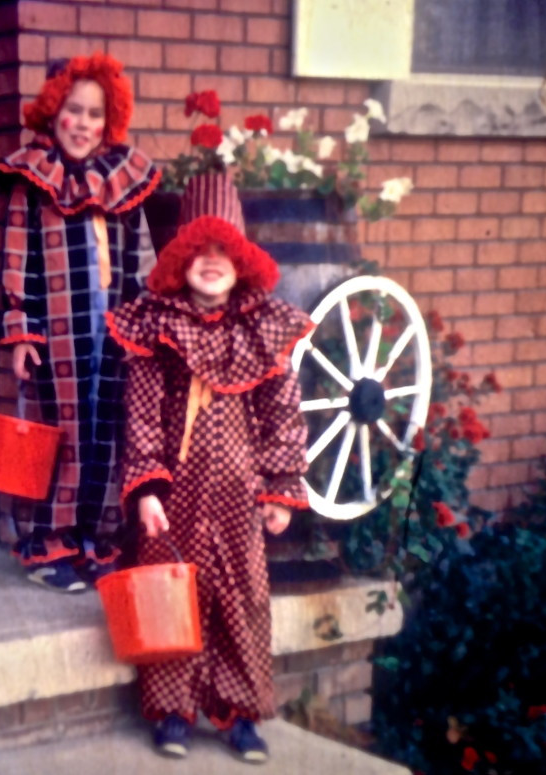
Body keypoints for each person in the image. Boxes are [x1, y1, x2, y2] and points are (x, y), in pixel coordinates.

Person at [106, 173, 313, 763]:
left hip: (239, 497)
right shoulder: (157, 326)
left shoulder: (260, 330)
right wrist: (146, 487)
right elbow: (141, 416)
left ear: (241, 261)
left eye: (224, 250)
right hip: (175, 498)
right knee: (172, 599)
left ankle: (240, 714)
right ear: (180, 259)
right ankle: (173, 711)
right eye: (199, 249)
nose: (212, 261)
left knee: (241, 598)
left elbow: (282, 413)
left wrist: (279, 488)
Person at [0, 53, 160, 592]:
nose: (84, 124)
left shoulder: (122, 179)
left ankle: (96, 540)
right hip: (57, 337)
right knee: (62, 436)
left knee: (106, 434)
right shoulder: (33, 181)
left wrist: (149, 323)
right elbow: (15, 260)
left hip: (114, 334)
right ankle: (50, 544)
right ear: (52, 111)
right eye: (74, 111)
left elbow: (141, 259)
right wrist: (20, 331)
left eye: (95, 114)